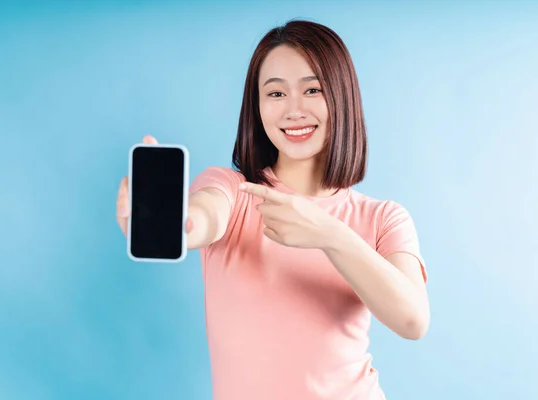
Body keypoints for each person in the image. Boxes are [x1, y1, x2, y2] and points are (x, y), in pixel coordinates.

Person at [116, 19, 429, 400]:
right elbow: (201, 218)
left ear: (342, 97)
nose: (294, 110)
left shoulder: (383, 219)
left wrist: (330, 235)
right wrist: (169, 223)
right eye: (276, 94)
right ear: (258, 106)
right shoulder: (233, 190)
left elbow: (412, 320)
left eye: (312, 89)